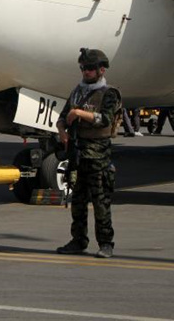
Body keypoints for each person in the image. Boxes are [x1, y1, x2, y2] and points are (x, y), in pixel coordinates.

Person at [55, 48, 121, 259]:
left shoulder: (109, 93)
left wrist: (79, 113)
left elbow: (105, 119)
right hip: (77, 153)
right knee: (78, 201)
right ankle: (78, 240)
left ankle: (106, 243)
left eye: (90, 68)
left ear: (101, 70)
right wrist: (62, 130)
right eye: (83, 68)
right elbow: (62, 116)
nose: (86, 72)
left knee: (100, 201)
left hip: (98, 155)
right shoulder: (77, 91)